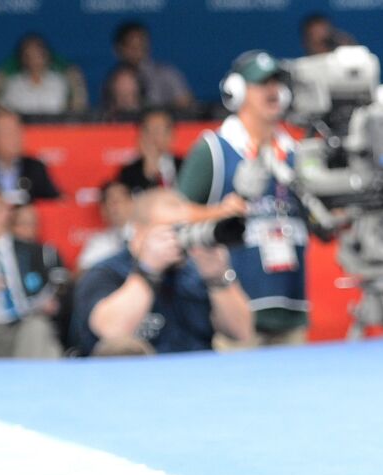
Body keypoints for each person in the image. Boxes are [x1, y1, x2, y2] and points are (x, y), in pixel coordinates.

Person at [178, 51, 309, 347]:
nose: (272, 90)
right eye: (261, 83)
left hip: (291, 310)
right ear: (236, 91)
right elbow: (173, 214)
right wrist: (219, 213)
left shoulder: (295, 152)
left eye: (276, 82)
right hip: (233, 315)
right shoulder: (214, 149)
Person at [71, 188, 252, 356]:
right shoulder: (106, 272)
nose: (179, 238)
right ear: (138, 231)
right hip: (133, 382)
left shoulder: (194, 272)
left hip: (197, 378)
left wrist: (217, 278)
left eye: (185, 228)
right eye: (172, 229)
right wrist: (148, 270)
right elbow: (111, 331)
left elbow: (241, 331)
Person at [0, 186, 63, 358]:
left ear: (6, 212)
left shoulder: (31, 251)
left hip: (23, 323)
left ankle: (30, 383)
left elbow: (52, 288)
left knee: (38, 328)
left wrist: (48, 301)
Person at [110, 21, 193, 112]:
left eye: (141, 46)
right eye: (132, 47)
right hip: (124, 125)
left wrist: (159, 114)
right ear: (118, 49)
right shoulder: (114, 79)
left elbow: (185, 103)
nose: (137, 52)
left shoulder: (166, 74)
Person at [0, 34, 86, 116]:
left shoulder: (59, 82)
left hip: (55, 129)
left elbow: (71, 110)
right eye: (29, 55)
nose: (34, 60)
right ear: (23, 58)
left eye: (38, 54)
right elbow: (4, 113)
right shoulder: (14, 84)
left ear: (46, 56)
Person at [0, 107, 59, 205]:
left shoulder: (35, 168)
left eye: (18, 131)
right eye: (8, 133)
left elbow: (56, 203)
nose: (16, 138)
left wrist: (33, 212)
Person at [117, 107, 180, 193]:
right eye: (147, 131)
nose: (152, 136)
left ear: (171, 136)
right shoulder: (128, 173)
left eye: (157, 131)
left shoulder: (185, 167)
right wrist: (149, 171)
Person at [78, 179, 134, 271]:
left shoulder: (146, 233)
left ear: (132, 203)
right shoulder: (99, 242)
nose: (116, 204)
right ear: (103, 209)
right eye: (111, 200)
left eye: (120, 199)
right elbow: (80, 274)